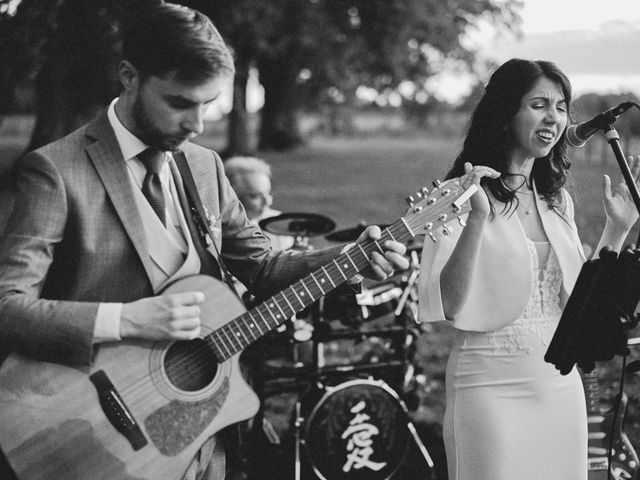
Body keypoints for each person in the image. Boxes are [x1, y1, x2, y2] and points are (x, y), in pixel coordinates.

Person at [0, 3, 408, 480]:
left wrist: (349, 258)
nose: (197, 123)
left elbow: (262, 266)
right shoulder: (57, 170)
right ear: (129, 77)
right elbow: (8, 304)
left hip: (201, 438)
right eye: (179, 103)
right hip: (90, 438)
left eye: (208, 105)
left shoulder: (204, 166)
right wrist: (126, 319)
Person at [418, 58, 640, 480]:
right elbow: (447, 304)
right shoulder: (458, 194)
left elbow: (576, 301)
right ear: (505, 115)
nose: (554, 117)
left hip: (558, 385)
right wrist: (478, 220)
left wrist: (617, 230)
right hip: (488, 386)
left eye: (560, 106)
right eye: (539, 104)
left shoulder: (558, 201)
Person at [224, 156, 294, 251]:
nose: (268, 202)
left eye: (268, 193)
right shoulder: (221, 231)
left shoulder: (280, 224)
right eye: (256, 196)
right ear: (233, 197)